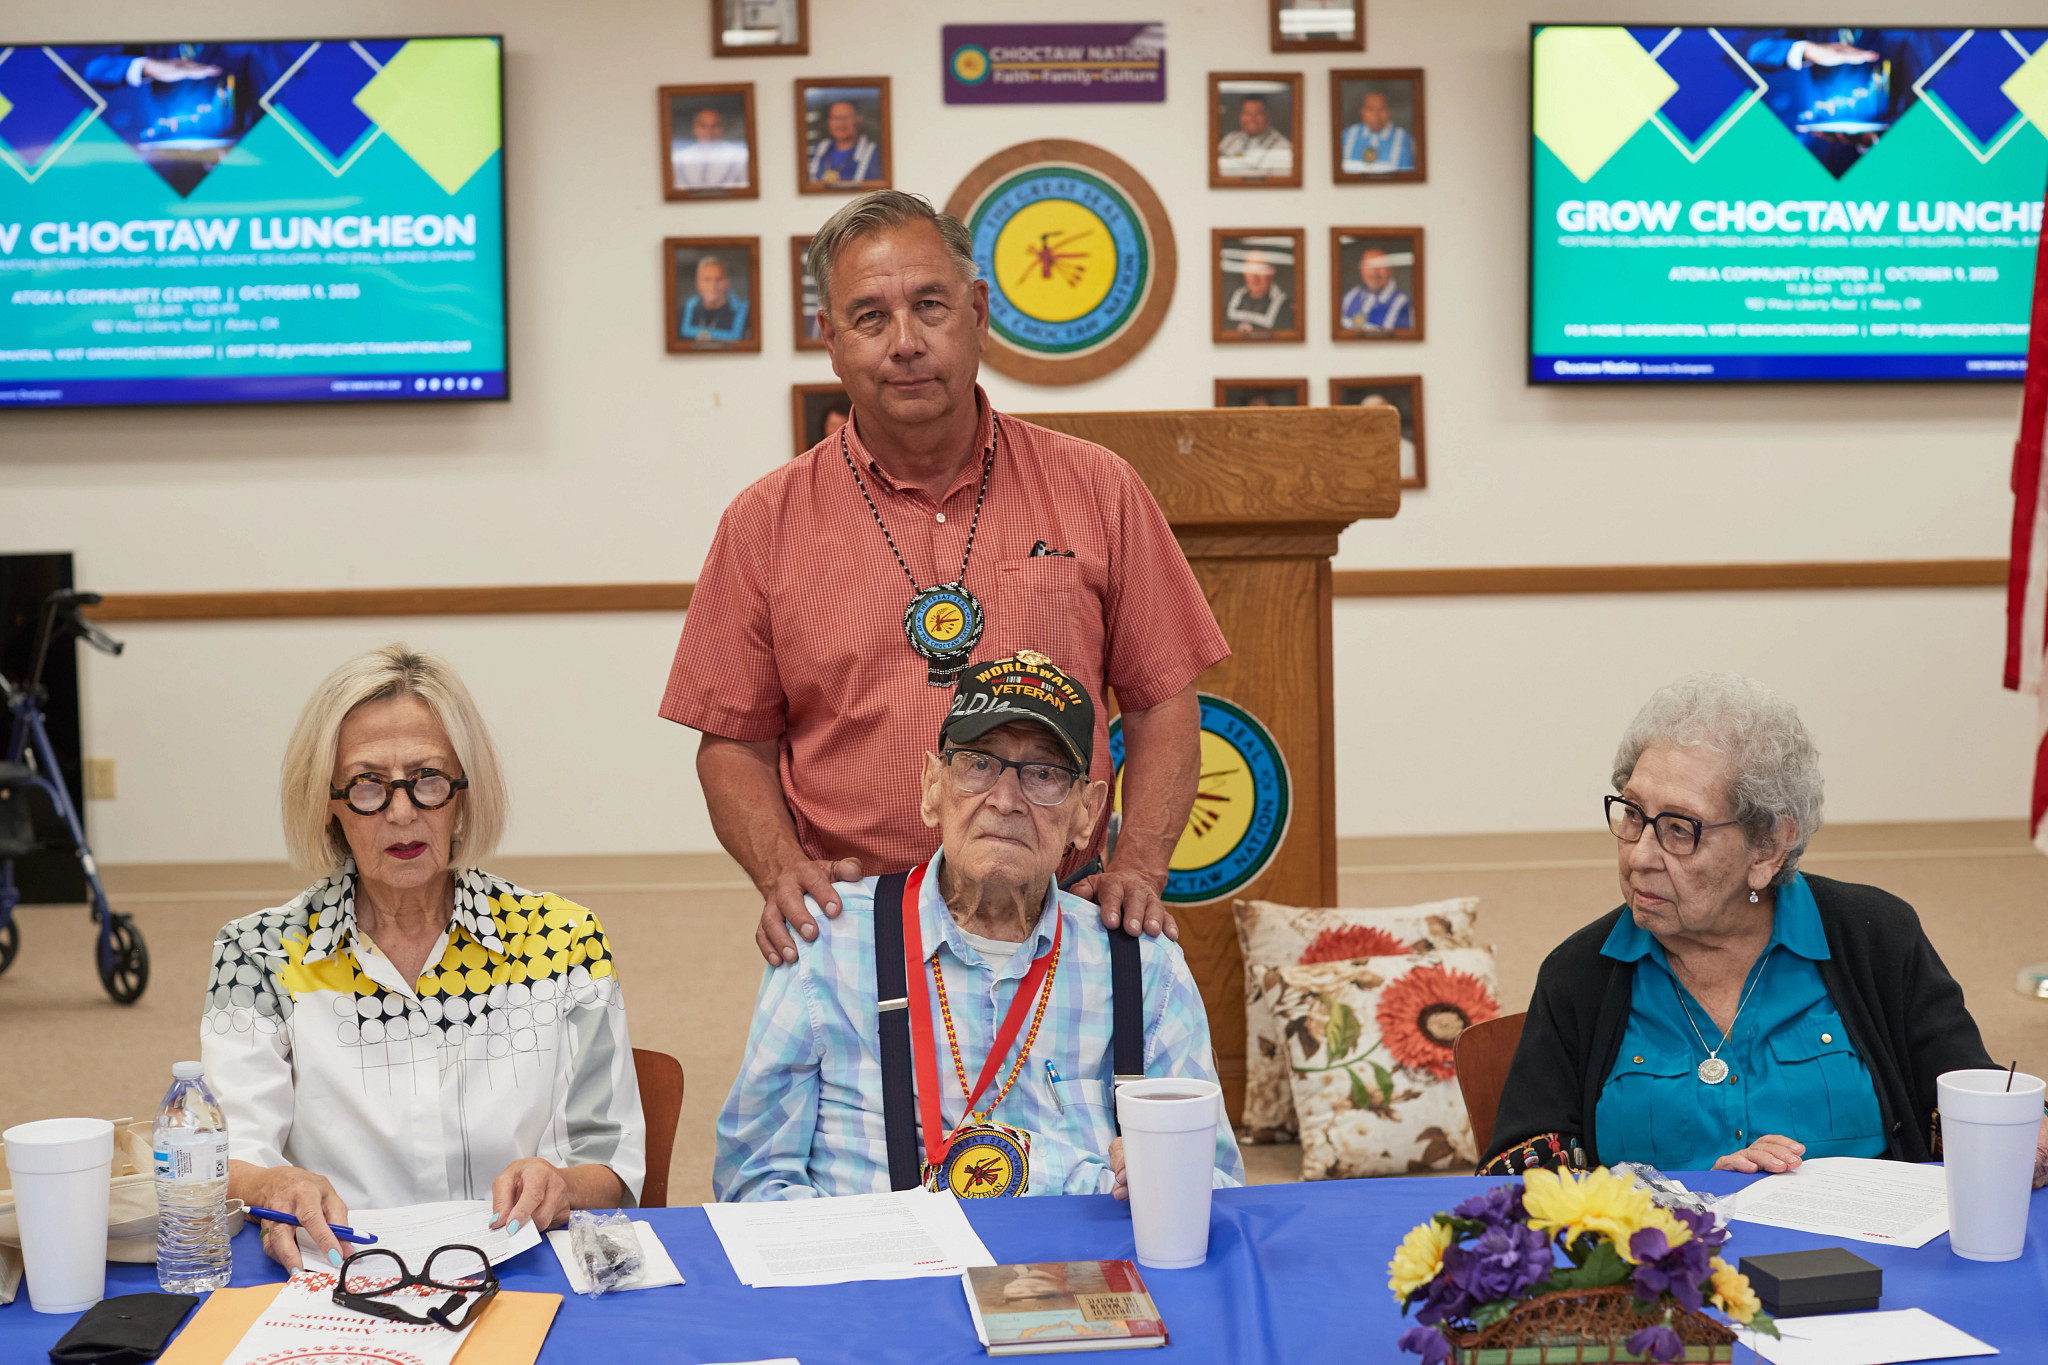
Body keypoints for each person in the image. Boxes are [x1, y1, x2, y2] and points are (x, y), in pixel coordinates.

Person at [661, 191, 1225, 968]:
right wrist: (781, 868)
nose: (905, 342)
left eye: (929, 305)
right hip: (856, 925)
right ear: (829, 340)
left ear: (979, 312)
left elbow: (1164, 700)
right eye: (868, 317)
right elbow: (731, 743)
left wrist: (1138, 868)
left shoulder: (1100, 489)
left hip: (1063, 916)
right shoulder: (762, 523)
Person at [714, 653, 1243, 1200]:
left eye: (1044, 775)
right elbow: (753, 1184)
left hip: (1082, 1274)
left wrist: (1167, 1177)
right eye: (979, 765)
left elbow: (1219, 1185)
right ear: (932, 787)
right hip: (884, 1272)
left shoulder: (1141, 966)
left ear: (1087, 812)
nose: (1006, 800)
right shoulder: (829, 945)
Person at [1485, 673, 2048, 1186]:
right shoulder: (1581, 973)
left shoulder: (1875, 938)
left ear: (1768, 848)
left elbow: (1972, 1102)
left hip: (1873, 1272)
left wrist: (2027, 1142)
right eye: (1632, 815)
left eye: (1680, 829)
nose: (1640, 856)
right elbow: (1518, 1176)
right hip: (1666, 1276)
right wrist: (1699, 1195)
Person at [204, 645, 645, 1269]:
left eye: (428, 779)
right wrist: (270, 1186)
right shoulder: (256, 956)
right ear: (327, 801)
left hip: (524, 1270)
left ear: (463, 793)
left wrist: (562, 1184)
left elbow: (613, 1159)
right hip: (339, 1276)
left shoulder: (563, 940)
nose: (403, 813)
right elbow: (227, 1161)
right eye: (367, 786)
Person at [672, 103, 749, 191]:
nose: (708, 131)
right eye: (703, 126)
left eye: (714, 126)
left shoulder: (739, 156)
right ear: (695, 129)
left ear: (721, 129)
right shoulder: (679, 158)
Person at [808, 98, 882, 185]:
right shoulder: (817, 150)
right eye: (835, 118)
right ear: (829, 121)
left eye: (846, 118)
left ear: (859, 119)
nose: (840, 124)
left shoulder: (874, 153)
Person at [1340, 89, 1416, 174]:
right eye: (1370, 109)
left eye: (1381, 108)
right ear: (1362, 112)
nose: (1376, 114)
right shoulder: (1346, 136)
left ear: (1389, 111)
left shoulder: (1405, 140)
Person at [1338, 247, 1413, 333]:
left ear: (1390, 269)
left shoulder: (1404, 304)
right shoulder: (1351, 295)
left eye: (1380, 266)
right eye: (1369, 265)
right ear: (1361, 269)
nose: (1374, 272)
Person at [1217, 95, 1292, 178]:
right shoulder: (1230, 139)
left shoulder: (1284, 147)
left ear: (1267, 117)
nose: (1252, 119)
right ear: (1241, 116)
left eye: (1257, 114)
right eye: (1247, 113)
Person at [680, 255, 749, 346]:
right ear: (698, 283)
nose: (713, 286)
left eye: (719, 279)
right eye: (707, 279)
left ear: (727, 282)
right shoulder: (683, 312)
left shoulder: (747, 314)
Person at [1224, 249, 1293, 334]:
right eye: (1250, 268)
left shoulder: (1285, 307)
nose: (1254, 276)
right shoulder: (1232, 298)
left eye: (1261, 269)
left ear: (1272, 273)